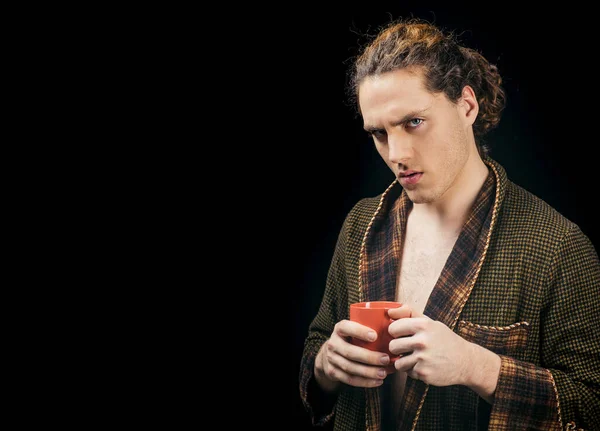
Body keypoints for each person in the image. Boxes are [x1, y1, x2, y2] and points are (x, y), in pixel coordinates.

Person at [298, 17, 600, 431]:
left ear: (467, 106)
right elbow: (317, 342)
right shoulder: (361, 226)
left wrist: (478, 367)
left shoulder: (558, 247)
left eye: (414, 122)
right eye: (380, 133)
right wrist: (325, 365)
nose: (397, 153)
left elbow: (591, 405)